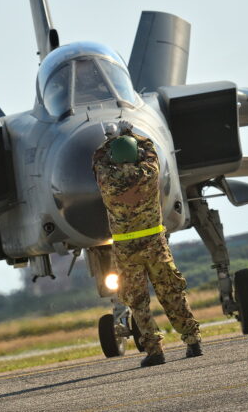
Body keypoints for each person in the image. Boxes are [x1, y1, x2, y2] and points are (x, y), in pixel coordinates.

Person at [92, 123, 202, 367]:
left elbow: (98, 159)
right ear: (138, 154)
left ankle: (155, 351)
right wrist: (132, 135)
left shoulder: (106, 179)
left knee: (138, 302)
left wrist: (109, 139)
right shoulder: (149, 173)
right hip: (155, 246)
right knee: (171, 293)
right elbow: (151, 149)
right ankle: (193, 341)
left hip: (126, 252)